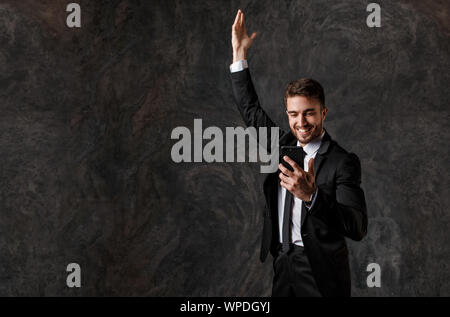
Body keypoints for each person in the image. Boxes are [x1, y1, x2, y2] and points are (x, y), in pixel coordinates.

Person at [230, 9, 368, 297]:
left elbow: (357, 226)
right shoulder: (281, 147)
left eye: (309, 114)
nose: (301, 123)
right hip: (284, 261)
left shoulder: (343, 162)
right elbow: (251, 110)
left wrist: (312, 196)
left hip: (321, 270)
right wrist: (239, 56)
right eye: (293, 114)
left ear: (324, 113)